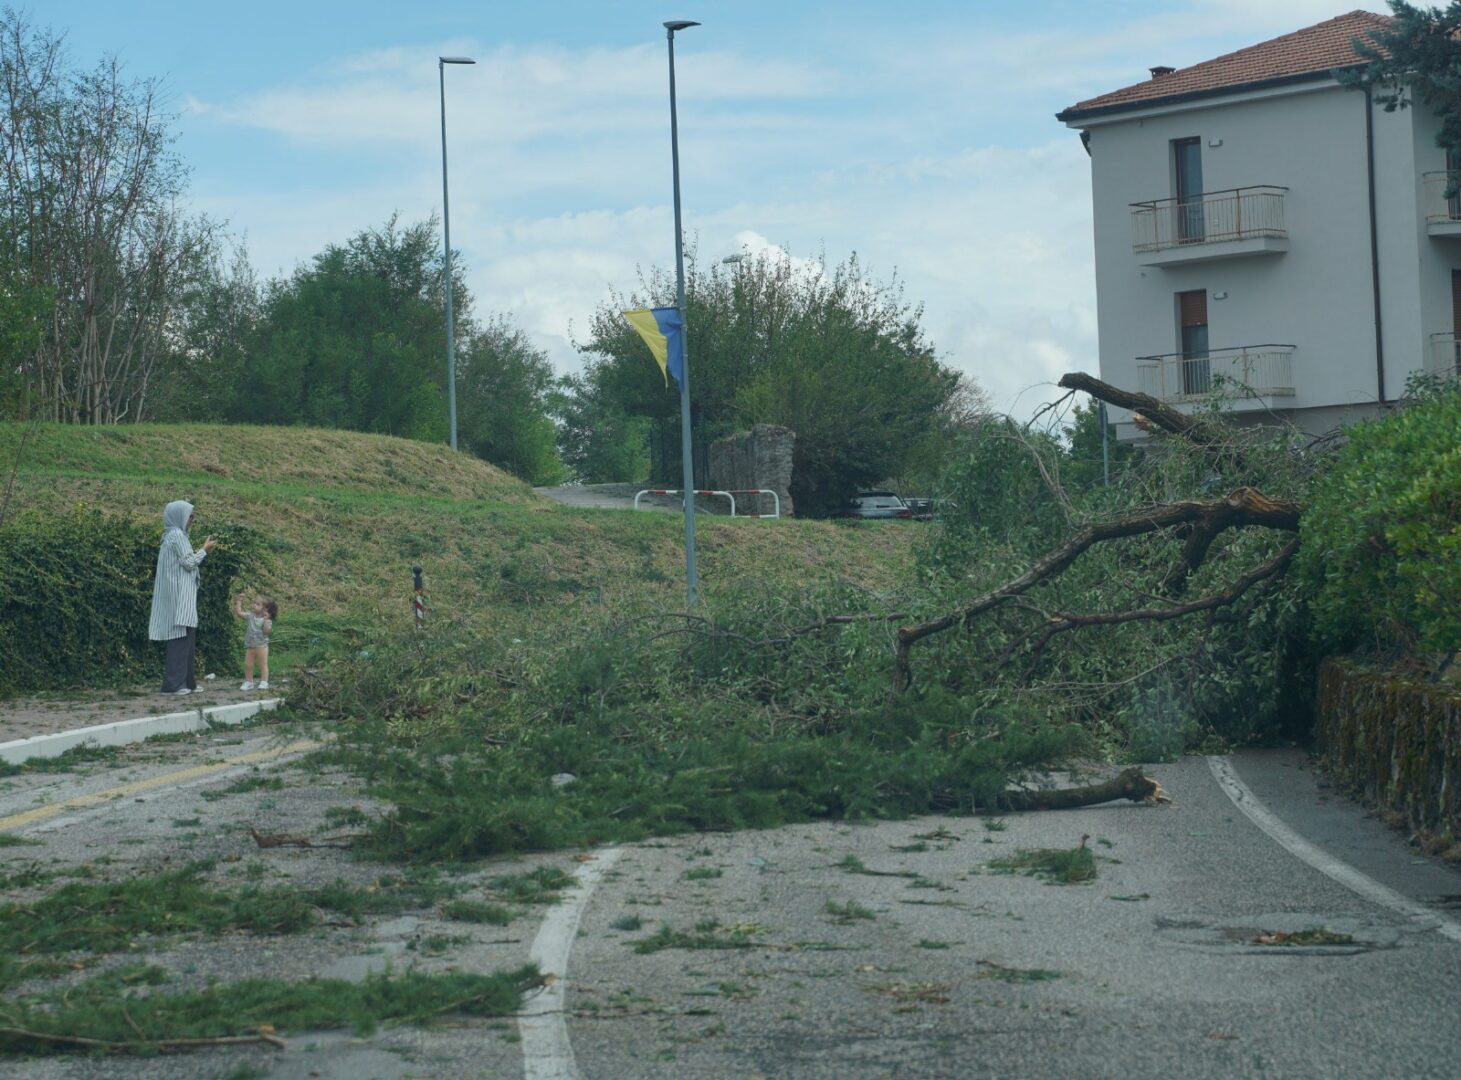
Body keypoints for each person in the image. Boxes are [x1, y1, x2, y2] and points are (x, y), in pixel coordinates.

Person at [147, 500, 215, 695]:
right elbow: (189, 563)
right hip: (179, 597)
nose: (192, 520)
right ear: (179, 516)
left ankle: (187, 683)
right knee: (180, 639)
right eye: (189, 516)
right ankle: (173, 685)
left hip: (182, 596)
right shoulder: (176, 535)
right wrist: (204, 550)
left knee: (187, 639)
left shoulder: (174, 535)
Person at [235, 595, 278, 690]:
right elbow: (239, 613)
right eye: (254, 603)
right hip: (250, 646)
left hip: (262, 646)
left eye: (257, 604)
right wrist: (238, 601)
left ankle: (264, 682)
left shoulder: (267, 620)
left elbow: (266, 632)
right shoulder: (250, 616)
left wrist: (266, 620)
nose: (254, 605)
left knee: (262, 664)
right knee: (248, 664)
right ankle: (249, 682)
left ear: (265, 609)